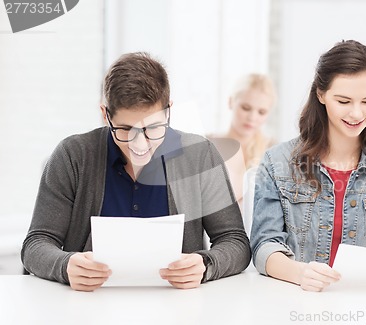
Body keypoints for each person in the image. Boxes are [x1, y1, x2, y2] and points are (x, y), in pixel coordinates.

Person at [21, 52, 251, 291]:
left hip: (179, 307)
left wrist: (205, 264)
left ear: (168, 111)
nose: (139, 145)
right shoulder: (73, 155)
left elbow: (235, 242)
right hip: (87, 305)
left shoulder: (199, 155)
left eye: (153, 128)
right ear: (105, 114)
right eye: (124, 129)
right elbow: (36, 244)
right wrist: (65, 265)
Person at [250, 40, 366, 292]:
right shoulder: (277, 163)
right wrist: (299, 273)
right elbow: (265, 245)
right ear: (321, 94)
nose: (356, 113)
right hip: (299, 303)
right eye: (343, 101)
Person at [209, 73, 276, 205]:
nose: (252, 117)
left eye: (261, 112)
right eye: (246, 108)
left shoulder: (273, 151)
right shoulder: (207, 144)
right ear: (230, 102)